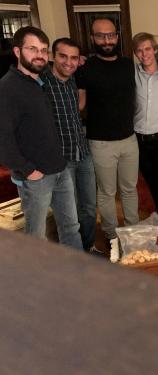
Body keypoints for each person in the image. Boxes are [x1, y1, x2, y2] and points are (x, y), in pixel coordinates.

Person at [0, 26, 82, 250]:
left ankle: (78, 275)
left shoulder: (39, 83)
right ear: (17, 51)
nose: (39, 55)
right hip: (36, 177)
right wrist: (28, 170)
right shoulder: (7, 88)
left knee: (70, 227)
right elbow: (3, 140)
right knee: (36, 236)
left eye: (44, 50)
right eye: (32, 49)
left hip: (60, 169)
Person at [76, 18, 139, 245]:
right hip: (100, 142)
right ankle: (112, 235)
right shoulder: (84, 68)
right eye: (100, 36)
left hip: (129, 139)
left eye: (110, 35)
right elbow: (79, 103)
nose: (106, 40)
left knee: (130, 189)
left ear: (117, 36)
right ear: (92, 38)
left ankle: (132, 233)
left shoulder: (128, 65)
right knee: (107, 192)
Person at [41, 37, 98, 253]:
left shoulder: (73, 79)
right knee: (69, 216)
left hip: (83, 153)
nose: (68, 62)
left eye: (74, 58)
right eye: (63, 56)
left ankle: (89, 248)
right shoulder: (41, 82)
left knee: (90, 209)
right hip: (60, 159)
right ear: (52, 56)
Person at [132, 32, 158, 222]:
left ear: (154, 49)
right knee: (151, 184)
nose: (144, 54)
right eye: (139, 51)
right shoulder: (131, 73)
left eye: (147, 49)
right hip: (139, 140)